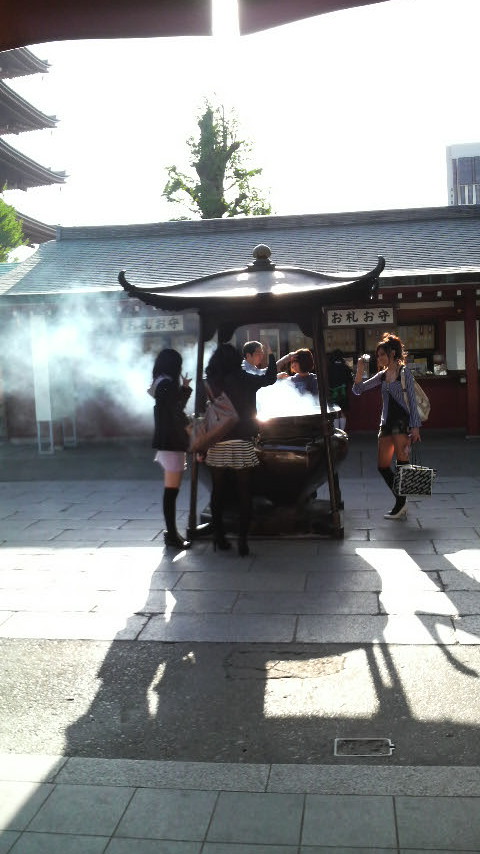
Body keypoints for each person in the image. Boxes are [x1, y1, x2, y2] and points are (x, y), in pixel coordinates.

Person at [205, 342, 277, 556]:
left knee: (217, 492)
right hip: (242, 441)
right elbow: (269, 378)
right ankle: (243, 540)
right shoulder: (243, 378)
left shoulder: (212, 382)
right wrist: (271, 357)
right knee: (244, 491)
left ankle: (219, 537)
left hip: (217, 442)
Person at [352, 332, 421, 520]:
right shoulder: (382, 376)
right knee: (382, 466)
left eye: (382, 354)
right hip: (386, 424)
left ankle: (400, 505)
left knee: (402, 464)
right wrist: (359, 368)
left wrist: (415, 427)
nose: (379, 358)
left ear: (392, 353)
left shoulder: (404, 373)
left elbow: (412, 403)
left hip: (402, 423)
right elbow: (358, 390)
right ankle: (401, 500)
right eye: (378, 355)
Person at [149, 348, 192, 549]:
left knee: (171, 490)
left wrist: (184, 388)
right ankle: (172, 534)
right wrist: (189, 427)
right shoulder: (166, 384)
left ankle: (172, 533)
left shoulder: (161, 382)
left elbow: (175, 407)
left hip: (168, 442)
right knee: (171, 491)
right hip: (172, 442)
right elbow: (176, 412)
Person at [328, 349, 354, 431]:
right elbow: (351, 380)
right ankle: (342, 432)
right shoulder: (346, 367)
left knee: (335, 414)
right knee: (342, 412)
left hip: (332, 392)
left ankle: (336, 433)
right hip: (343, 393)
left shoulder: (328, 367)